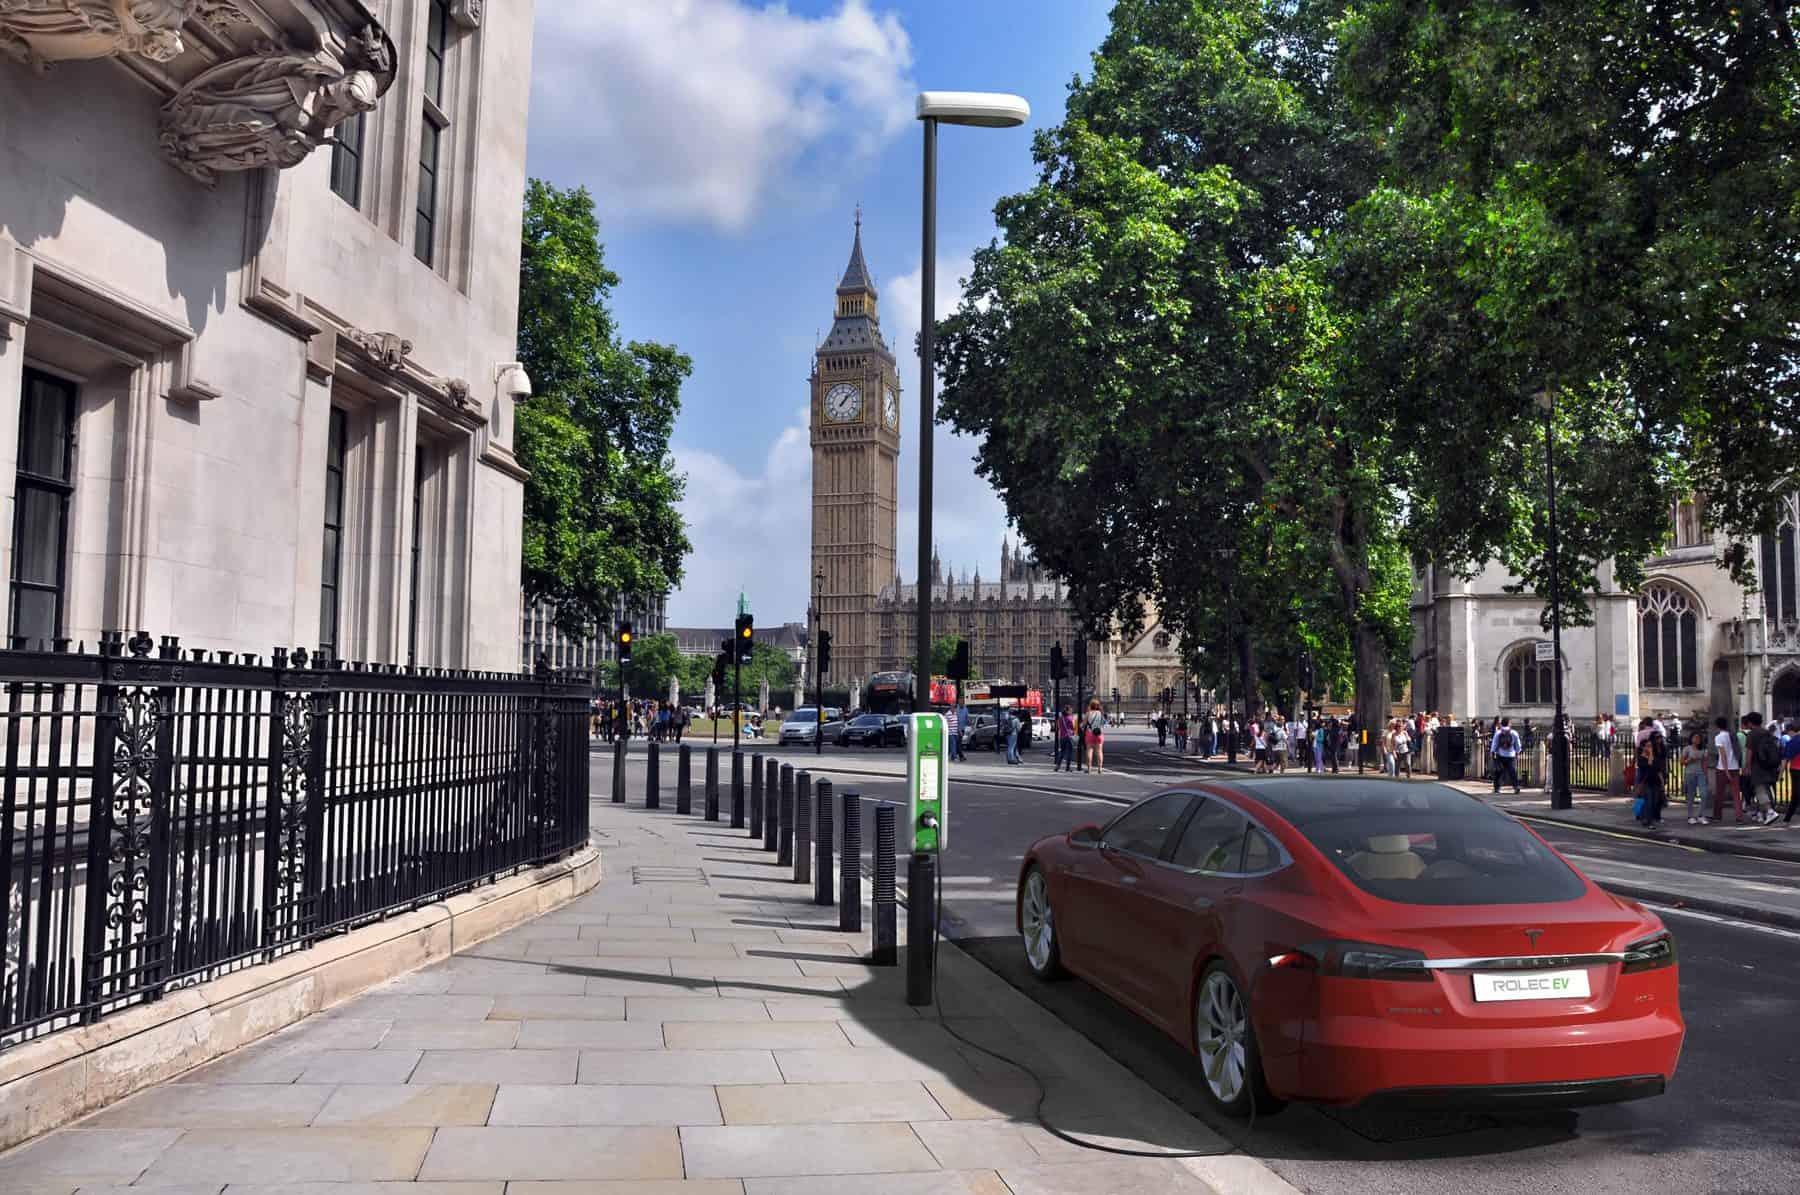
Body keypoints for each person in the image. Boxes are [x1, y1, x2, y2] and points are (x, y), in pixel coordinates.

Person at [1742, 712, 1782, 825]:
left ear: (1750, 722)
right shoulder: (1767, 732)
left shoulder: (1752, 734)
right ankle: (1764, 813)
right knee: (1766, 787)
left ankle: (1770, 811)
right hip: (1769, 764)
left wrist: (1747, 766)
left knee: (1759, 788)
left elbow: (1749, 751)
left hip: (1757, 765)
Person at [1711, 716, 1744, 823]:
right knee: (1736, 794)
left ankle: (1717, 816)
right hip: (1735, 767)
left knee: (1719, 793)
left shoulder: (1719, 737)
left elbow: (1723, 755)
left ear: (1717, 726)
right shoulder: (1732, 735)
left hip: (1722, 768)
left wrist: (1725, 770)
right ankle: (1739, 817)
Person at [1637, 728, 1669, 827]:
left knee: (1655, 801)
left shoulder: (1655, 757)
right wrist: (1650, 753)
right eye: (1647, 746)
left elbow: (1658, 769)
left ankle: (1650, 818)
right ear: (1643, 747)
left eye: (1650, 746)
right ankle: (1648, 821)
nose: (1649, 748)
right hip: (1646, 782)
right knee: (1649, 802)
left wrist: (1662, 782)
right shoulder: (1641, 758)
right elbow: (1649, 765)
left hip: (1655, 781)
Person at [1681, 731, 1708, 825]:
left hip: (1700, 773)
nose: (1696, 740)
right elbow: (1682, 762)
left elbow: (1705, 763)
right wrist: (1689, 760)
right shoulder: (1687, 749)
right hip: (1690, 773)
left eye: (1698, 738)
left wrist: (1706, 775)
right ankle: (1690, 816)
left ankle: (1701, 815)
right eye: (1695, 737)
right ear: (1691, 738)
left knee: (1704, 794)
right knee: (1690, 796)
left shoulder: (1704, 750)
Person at [1491, 717, 1522, 794]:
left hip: (1500, 754)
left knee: (1498, 771)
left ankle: (1497, 788)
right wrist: (1518, 752)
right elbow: (1518, 745)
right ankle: (1516, 786)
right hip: (1511, 755)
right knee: (1512, 771)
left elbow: (1494, 744)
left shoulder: (1498, 732)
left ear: (1502, 723)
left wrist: (1492, 752)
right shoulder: (1514, 732)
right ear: (1509, 723)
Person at [1083, 699, 1107, 774]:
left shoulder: (1088, 713)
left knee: (1089, 751)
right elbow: (1104, 723)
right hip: (1099, 733)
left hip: (1090, 733)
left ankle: (1089, 768)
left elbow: (1083, 724)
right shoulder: (1101, 713)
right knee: (1099, 751)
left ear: (1091, 705)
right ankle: (1100, 769)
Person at [1054, 704, 1077, 772]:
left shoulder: (1061, 718)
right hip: (1070, 737)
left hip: (1062, 737)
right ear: (1069, 711)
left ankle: (1057, 766)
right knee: (1069, 752)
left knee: (1062, 751)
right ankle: (1067, 767)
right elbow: (1074, 727)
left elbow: (1057, 727)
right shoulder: (1071, 718)